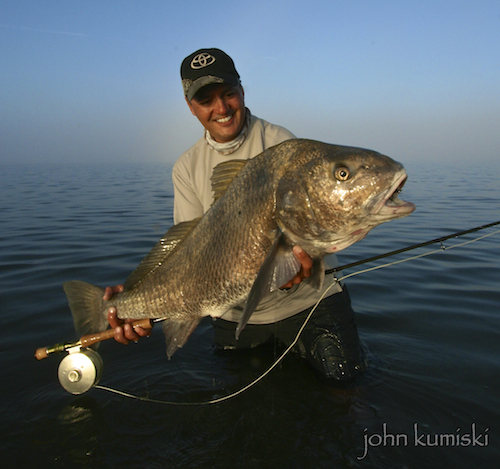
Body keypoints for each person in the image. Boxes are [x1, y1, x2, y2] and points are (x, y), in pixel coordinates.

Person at [105, 48, 366, 381]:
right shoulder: (186, 168)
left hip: (308, 304)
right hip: (236, 315)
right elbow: (187, 254)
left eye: (228, 94)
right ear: (190, 106)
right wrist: (138, 296)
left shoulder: (280, 145)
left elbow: (308, 234)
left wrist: (302, 263)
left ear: (242, 91)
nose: (221, 108)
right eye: (206, 100)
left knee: (346, 390)